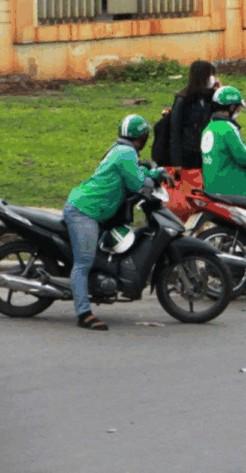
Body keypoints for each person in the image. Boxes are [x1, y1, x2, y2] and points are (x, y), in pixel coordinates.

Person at [64, 116, 172, 330]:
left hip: (90, 208)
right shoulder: (126, 153)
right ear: (141, 138)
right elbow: (136, 182)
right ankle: (84, 315)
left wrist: (155, 173)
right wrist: (152, 180)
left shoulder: (120, 149)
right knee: (83, 262)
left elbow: (134, 172)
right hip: (85, 211)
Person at [165, 60, 219, 210]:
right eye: (210, 74)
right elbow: (174, 131)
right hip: (188, 153)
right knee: (189, 192)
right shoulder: (183, 99)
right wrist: (176, 161)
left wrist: (219, 90)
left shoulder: (209, 98)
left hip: (205, 151)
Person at [200, 86, 246, 198]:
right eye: (238, 107)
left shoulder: (209, 127)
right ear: (232, 107)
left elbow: (224, 153)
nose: (238, 111)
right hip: (232, 193)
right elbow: (245, 157)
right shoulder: (228, 128)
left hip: (212, 191)